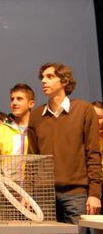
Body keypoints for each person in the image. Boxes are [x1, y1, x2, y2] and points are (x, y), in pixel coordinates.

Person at [28, 63, 101, 227]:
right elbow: (32, 158)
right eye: (43, 78)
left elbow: (93, 153)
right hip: (44, 194)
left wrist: (95, 193)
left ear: (64, 81)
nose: (43, 81)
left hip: (75, 193)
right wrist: (28, 193)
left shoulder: (84, 109)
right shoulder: (36, 116)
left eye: (50, 77)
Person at [0, 84, 35, 155]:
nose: (14, 103)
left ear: (31, 104)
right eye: (12, 99)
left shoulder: (38, 128)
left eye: (19, 99)